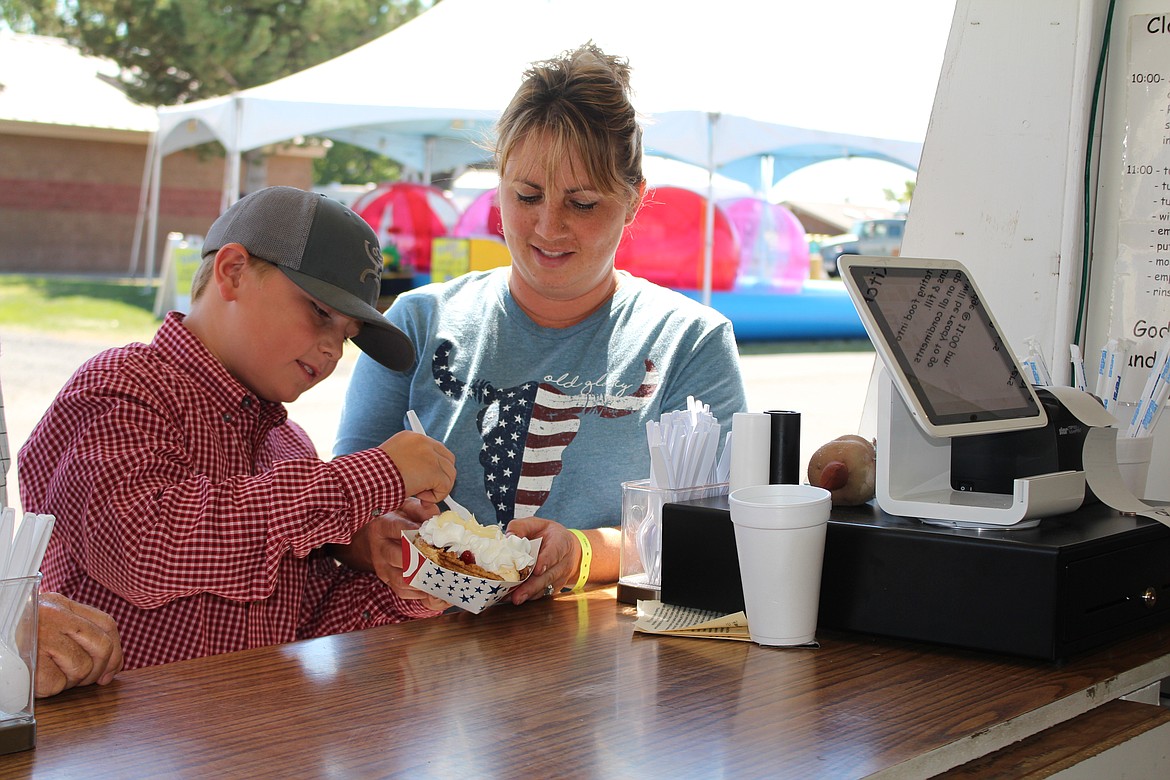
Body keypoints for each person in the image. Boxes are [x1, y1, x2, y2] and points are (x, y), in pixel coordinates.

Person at [334, 43, 748, 604]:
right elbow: (338, 510)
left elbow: (720, 528)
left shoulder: (689, 341)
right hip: (422, 656)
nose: (548, 227)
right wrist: (372, 539)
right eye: (527, 195)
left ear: (633, 201)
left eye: (582, 204)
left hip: (599, 663)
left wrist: (583, 554)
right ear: (498, 184)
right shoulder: (417, 321)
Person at [18, 186, 458, 670]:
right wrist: (372, 474)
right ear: (233, 272)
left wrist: (411, 585)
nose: (333, 349)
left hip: (255, 737)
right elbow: (144, 549)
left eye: (347, 335)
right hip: (122, 740)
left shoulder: (287, 447)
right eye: (320, 312)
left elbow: (306, 624)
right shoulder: (121, 387)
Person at [2, 351, 124, 695]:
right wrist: (8, 622)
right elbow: (140, 551)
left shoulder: (286, 436)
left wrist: (14, 616)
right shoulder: (118, 383)